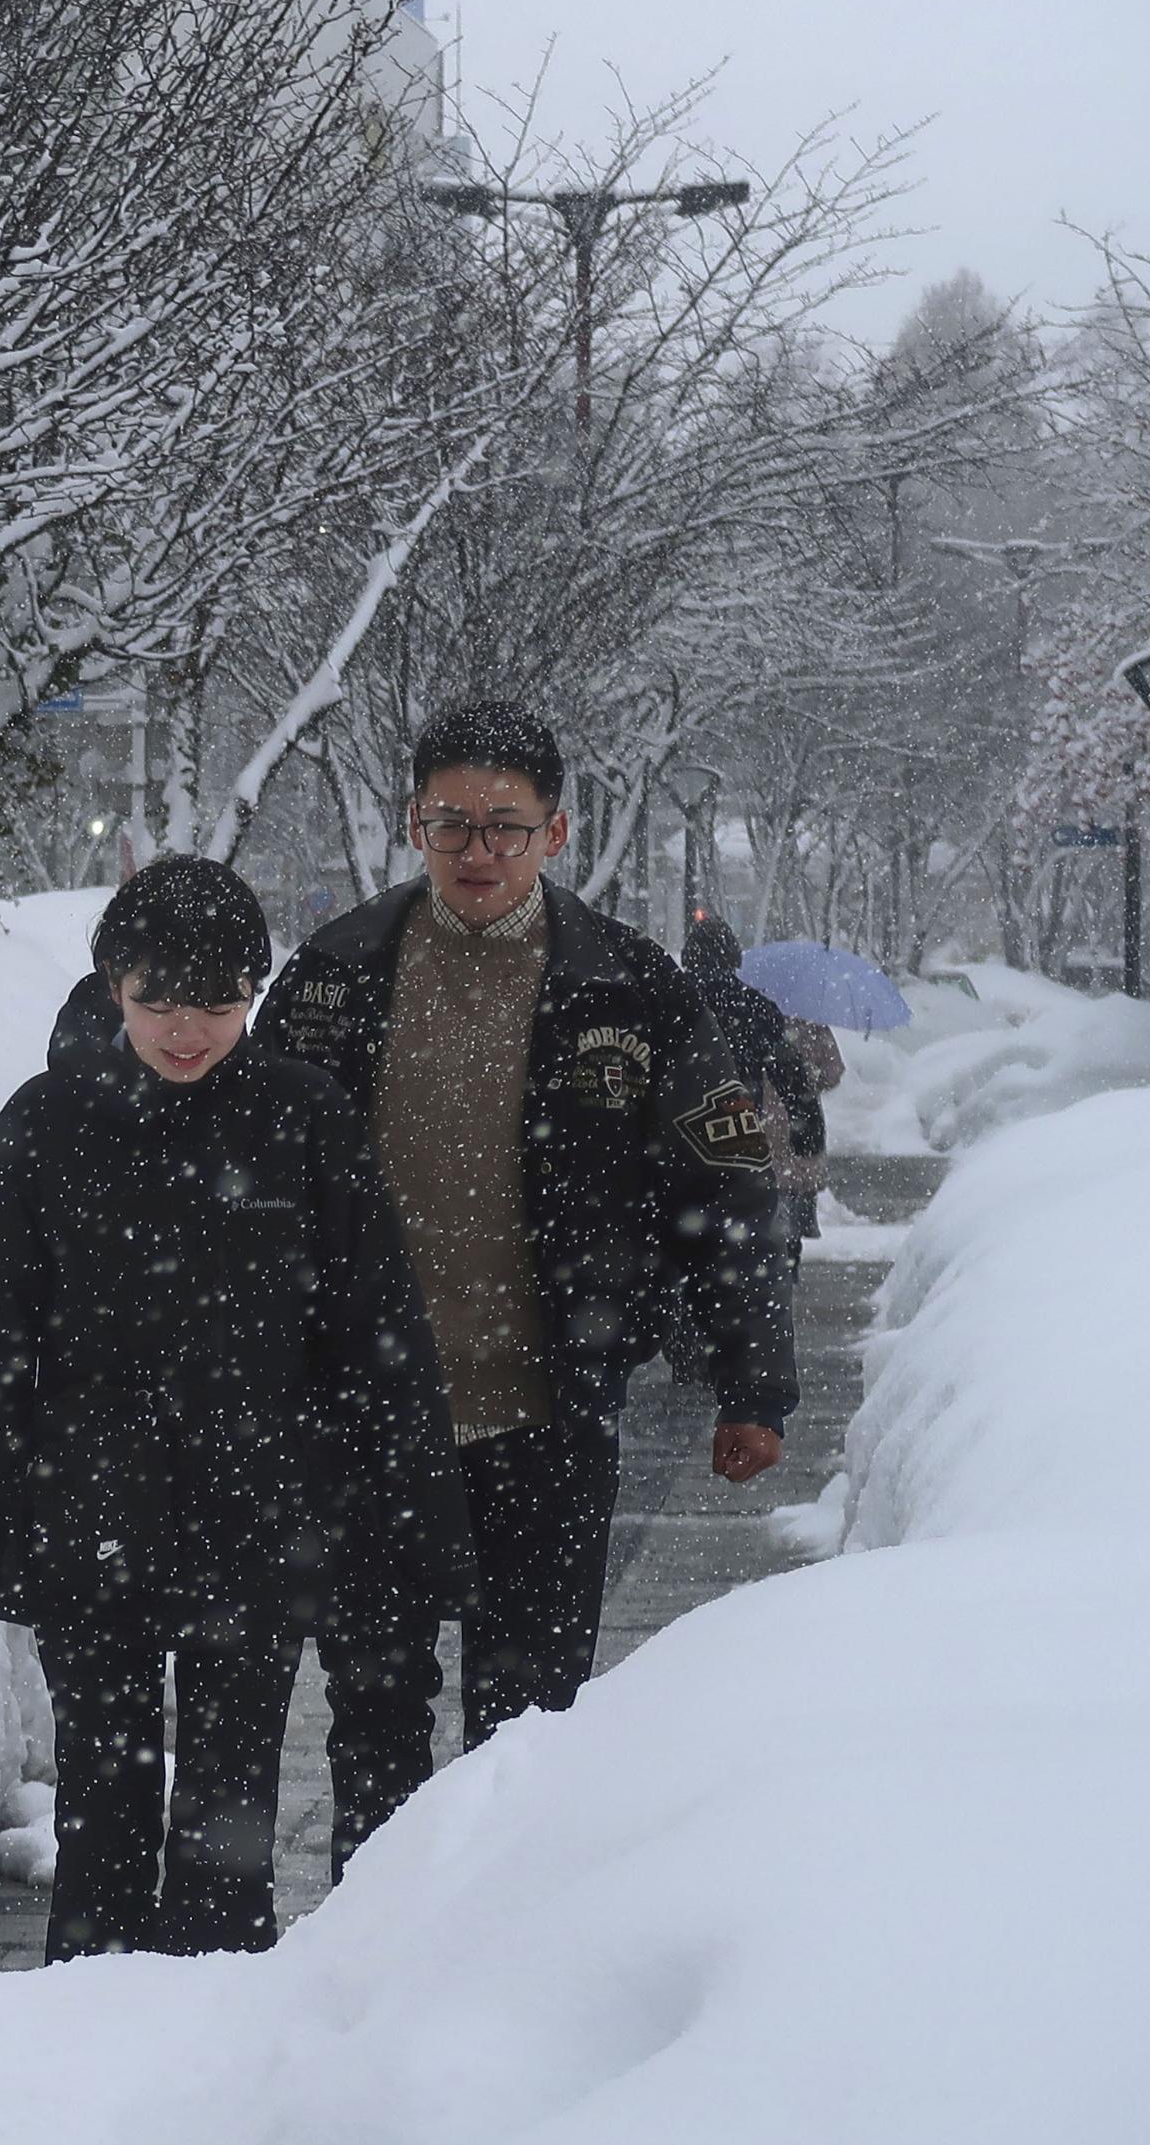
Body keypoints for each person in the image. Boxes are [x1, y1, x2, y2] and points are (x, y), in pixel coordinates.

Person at [254, 704, 795, 1868]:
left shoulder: (630, 990)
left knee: (532, 1729)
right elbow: (248, 1190)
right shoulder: (330, 978)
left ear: (554, 833)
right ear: (413, 824)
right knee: (373, 1721)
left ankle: (501, 1971)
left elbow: (727, 1187)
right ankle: (369, 1977)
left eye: (505, 826)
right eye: (451, 823)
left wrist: (751, 1382)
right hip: (368, 1419)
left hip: (548, 1411)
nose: (477, 851)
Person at [0, 857, 473, 1960]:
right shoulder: (43, 1128)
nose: (184, 1030)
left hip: (255, 1525)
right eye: (157, 999)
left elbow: (376, 1337)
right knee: (101, 1789)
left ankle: (215, 2018)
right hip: (85, 1521)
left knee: (228, 1800)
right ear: (110, 984)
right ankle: (90, 2004)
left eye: (215, 1003)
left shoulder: (302, 1121)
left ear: (254, 993)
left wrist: (414, 1529)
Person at [682, 915, 833, 1255]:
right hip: (738, 1130)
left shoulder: (667, 1000)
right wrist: (807, 1131)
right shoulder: (753, 1006)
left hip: (675, 1137)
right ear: (731, 955)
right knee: (746, 1234)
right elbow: (790, 1076)